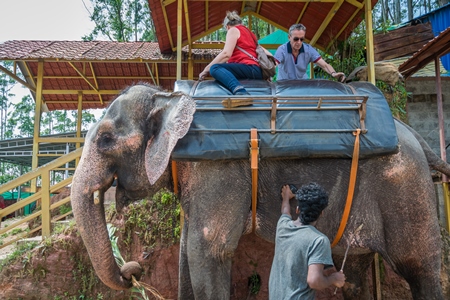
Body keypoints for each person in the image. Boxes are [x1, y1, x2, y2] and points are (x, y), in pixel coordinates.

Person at [268, 182, 346, 299]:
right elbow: (314, 281)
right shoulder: (319, 240)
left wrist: (286, 197)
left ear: (298, 209)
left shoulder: (283, 226)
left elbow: (285, 211)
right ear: (321, 213)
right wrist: (334, 279)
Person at [199, 11, 270, 95]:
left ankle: (240, 91)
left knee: (215, 68)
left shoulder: (233, 30)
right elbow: (270, 55)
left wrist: (206, 69)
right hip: (257, 71)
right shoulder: (250, 33)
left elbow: (226, 54)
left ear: (227, 27)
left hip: (249, 68)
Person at [274, 24, 346, 82]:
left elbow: (324, 65)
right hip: (284, 87)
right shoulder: (282, 50)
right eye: (296, 39)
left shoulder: (308, 50)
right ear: (289, 37)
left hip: (302, 85)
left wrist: (333, 73)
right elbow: (273, 65)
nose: (299, 42)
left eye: (301, 39)